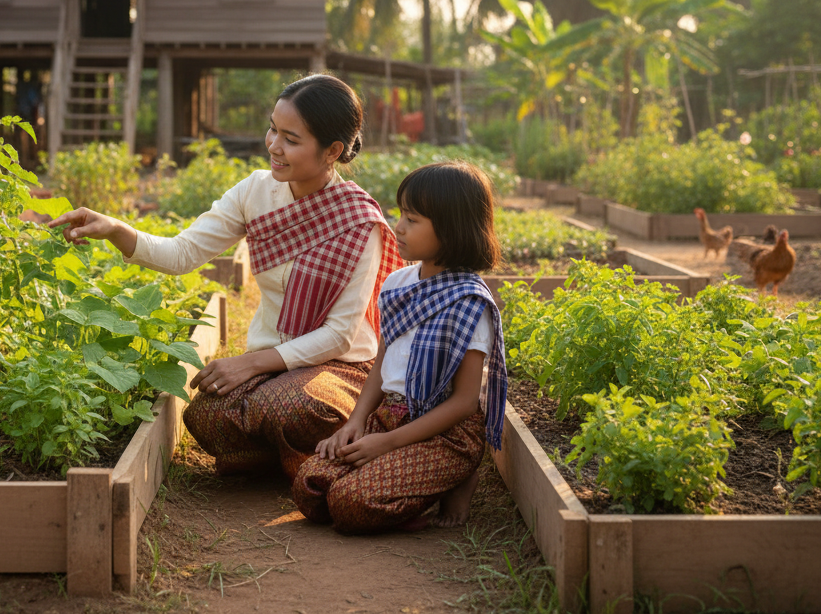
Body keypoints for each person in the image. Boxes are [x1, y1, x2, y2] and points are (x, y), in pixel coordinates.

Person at [48, 74, 403, 480]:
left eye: (291, 139)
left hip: (338, 367)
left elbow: (339, 335)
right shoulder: (255, 192)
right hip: (273, 370)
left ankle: (316, 453)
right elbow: (182, 253)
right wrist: (113, 227)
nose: (273, 146)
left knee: (291, 407)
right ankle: (301, 457)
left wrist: (249, 364)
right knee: (205, 414)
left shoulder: (358, 222)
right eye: (272, 129)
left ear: (332, 150)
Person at [291, 161, 505, 534]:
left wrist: (386, 444)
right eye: (400, 214)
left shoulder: (469, 303)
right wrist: (355, 423)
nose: (398, 227)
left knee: (350, 504)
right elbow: (381, 363)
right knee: (309, 486)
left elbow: (464, 402)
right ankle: (401, 480)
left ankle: (456, 480)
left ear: (452, 229)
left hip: (442, 434)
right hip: (388, 418)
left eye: (413, 219)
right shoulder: (397, 284)